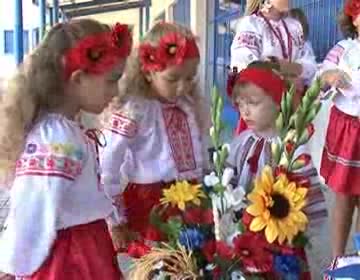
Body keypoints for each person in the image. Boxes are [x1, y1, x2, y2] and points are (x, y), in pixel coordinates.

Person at [0, 19, 132, 279]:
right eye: (111, 81)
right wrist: (11, 263)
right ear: (78, 79)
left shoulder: (66, 130)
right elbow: (32, 209)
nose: (116, 92)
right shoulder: (56, 139)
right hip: (70, 260)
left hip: (83, 248)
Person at [99, 21, 210, 245]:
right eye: (172, 79)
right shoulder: (135, 109)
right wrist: (114, 218)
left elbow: (200, 151)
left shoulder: (188, 105)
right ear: (148, 72)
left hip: (191, 199)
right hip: (150, 205)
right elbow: (108, 162)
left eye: (190, 78)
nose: (183, 87)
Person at [226, 61, 327, 279]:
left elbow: (307, 196)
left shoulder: (292, 146)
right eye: (240, 104)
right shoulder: (242, 142)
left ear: (278, 101)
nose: (245, 111)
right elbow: (229, 181)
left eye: (253, 103)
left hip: (283, 238)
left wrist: (299, 231)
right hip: (247, 232)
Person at [230, 0, 317, 134]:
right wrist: (287, 79)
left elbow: (311, 66)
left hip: (294, 106)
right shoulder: (251, 25)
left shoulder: (295, 26)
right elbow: (247, 68)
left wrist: (284, 67)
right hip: (263, 112)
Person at [318, 0, 360, 259]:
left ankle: (356, 260)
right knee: (344, 197)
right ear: (355, 18)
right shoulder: (344, 50)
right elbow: (320, 78)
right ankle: (336, 259)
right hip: (347, 130)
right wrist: (330, 77)